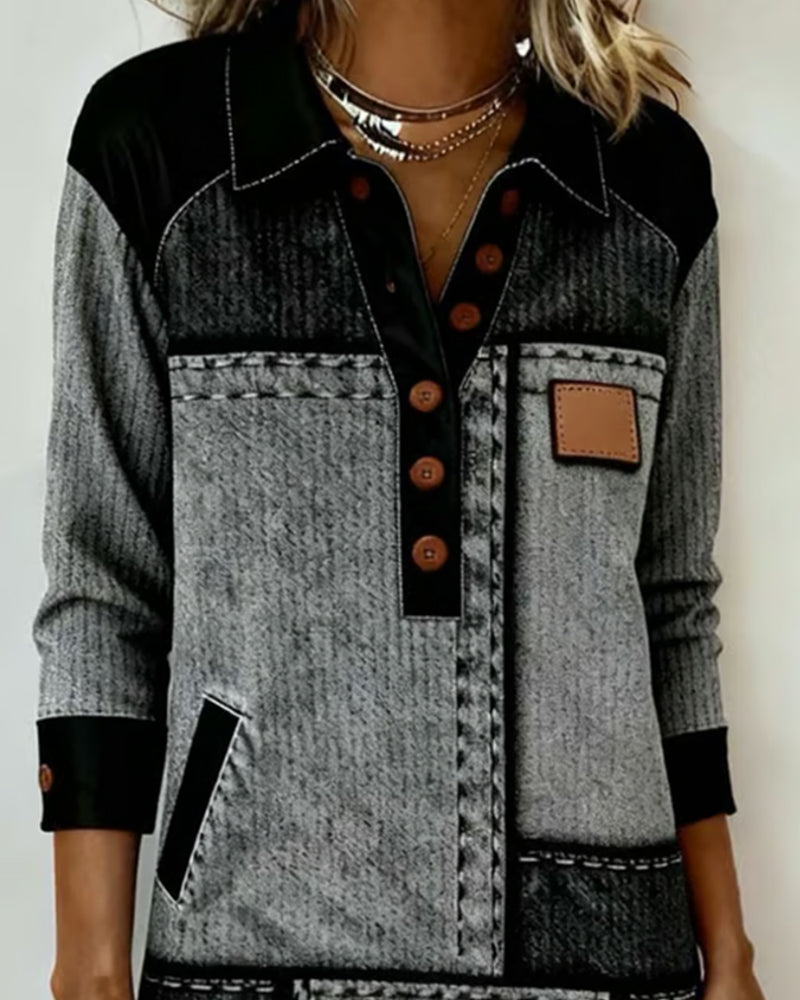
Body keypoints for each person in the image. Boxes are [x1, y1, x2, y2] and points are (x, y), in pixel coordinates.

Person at [31, 2, 766, 1000]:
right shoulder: (162, 153)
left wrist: (730, 952)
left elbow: (669, 599)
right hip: (248, 950)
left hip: (605, 960)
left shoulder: (644, 180)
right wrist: (87, 967)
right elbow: (106, 588)